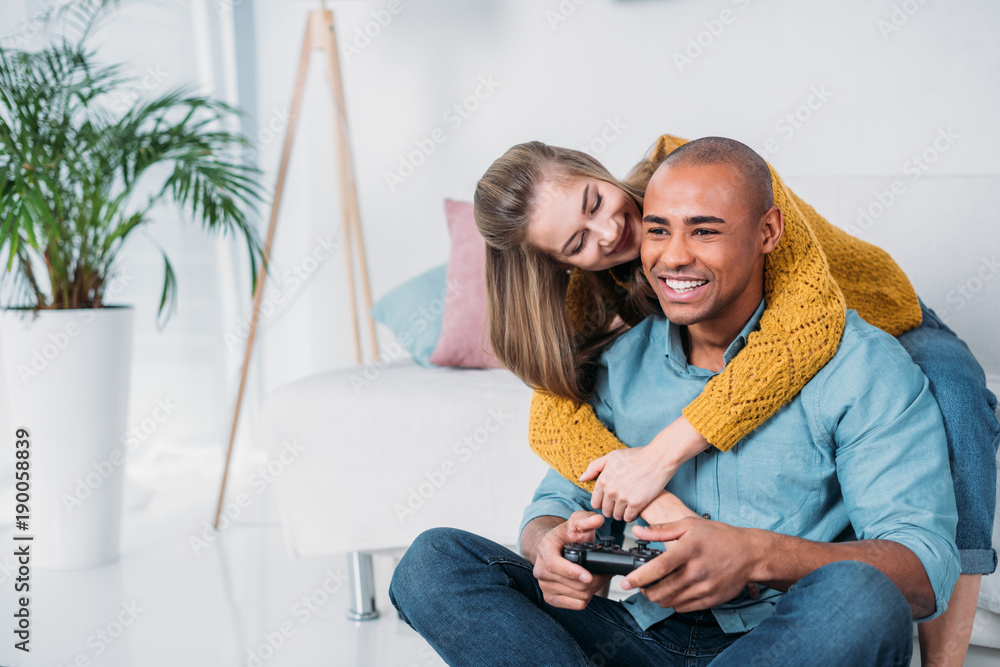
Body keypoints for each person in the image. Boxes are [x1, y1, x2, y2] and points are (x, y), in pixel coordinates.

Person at [389, 137, 962, 665]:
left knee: (861, 598)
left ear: (768, 233)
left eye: (705, 231)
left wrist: (756, 556)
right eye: (658, 231)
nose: (672, 257)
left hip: (778, 639)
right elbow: (558, 496)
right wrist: (548, 545)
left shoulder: (860, 365)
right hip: (636, 635)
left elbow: (923, 572)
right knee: (432, 563)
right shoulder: (616, 361)